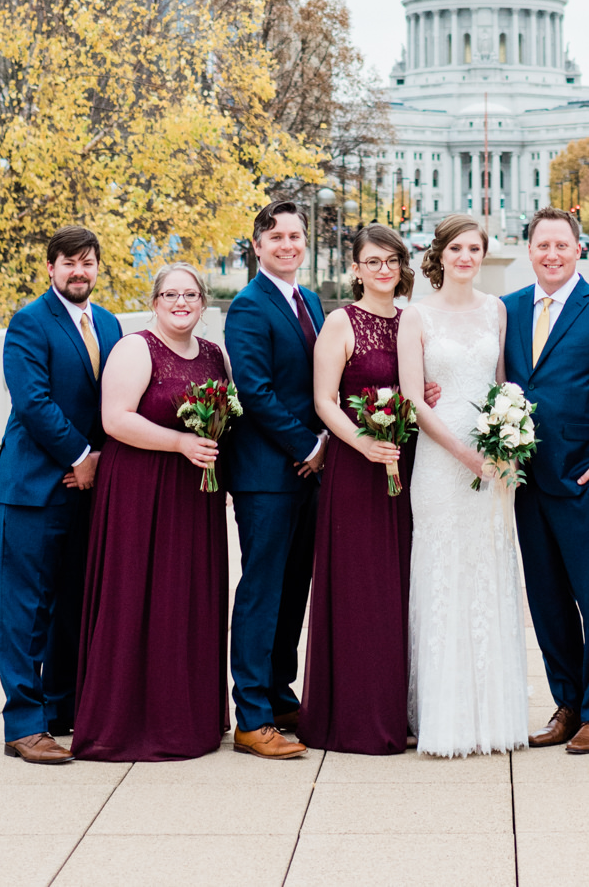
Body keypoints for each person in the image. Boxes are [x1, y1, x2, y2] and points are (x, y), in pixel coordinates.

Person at [72, 263, 230, 760]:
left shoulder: (213, 355)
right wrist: (180, 442)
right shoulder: (136, 348)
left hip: (193, 494)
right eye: (170, 294)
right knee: (139, 595)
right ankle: (126, 721)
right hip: (140, 492)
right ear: (155, 301)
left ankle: (186, 718)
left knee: (186, 598)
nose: (180, 303)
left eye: (190, 295)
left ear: (203, 303)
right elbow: (115, 420)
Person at [502, 206, 589, 756]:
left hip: (585, 481)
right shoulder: (508, 310)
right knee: (547, 599)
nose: (552, 254)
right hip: (526, 480)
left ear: (578, 249)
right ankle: (568, 703)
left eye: (562, 245)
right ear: (529, 250)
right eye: (542, 246)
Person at [0, 224, 123, 764]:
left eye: (87, 263)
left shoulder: (110, 324)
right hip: (35, 487)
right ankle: (23, 724)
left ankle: (61, 709)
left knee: (74, 602)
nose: (78, 272)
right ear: (50, 268)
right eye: (68, 262)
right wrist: (81, 458)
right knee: (26, 606)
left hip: (88, 488)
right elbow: (33, 403)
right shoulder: (29, 322)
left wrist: (102, 465)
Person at [398, 215, 530, 757]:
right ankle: (442, 716)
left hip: (491, 463)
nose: (466, 257)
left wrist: (507, 442)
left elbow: (501, 386)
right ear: (440, 254)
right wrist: (464, 454)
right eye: (457, 248)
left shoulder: (496, 310)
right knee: (442, 570)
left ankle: (492, 717)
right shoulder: (416, 316)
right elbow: (411, 398)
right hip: (439, 459)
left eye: (475, 248)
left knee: (487, 568)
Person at [297, 224, 413, 753]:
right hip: (356, 467)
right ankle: (355, 717)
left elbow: (418, 391)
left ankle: (399, 706)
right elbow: (324, 399)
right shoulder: (341, 322)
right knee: (361, 589)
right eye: (372, 261)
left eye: (390, 260)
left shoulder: (413, 320)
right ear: (356, 268)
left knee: (400, 588)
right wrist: (364, 442)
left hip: (405, 466)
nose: (382, 270)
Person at [222, 200, 326, 760]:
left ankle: (280, 694)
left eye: (296, 235)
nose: (288, 244)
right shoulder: (248, 306)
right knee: (262, 590)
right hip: (267, 474)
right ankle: (251, 716)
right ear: (256, 246)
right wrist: (309, 445)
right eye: (277, 236)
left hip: (307, 472)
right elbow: (255, 393)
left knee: (293, 590)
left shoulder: (306, 301)